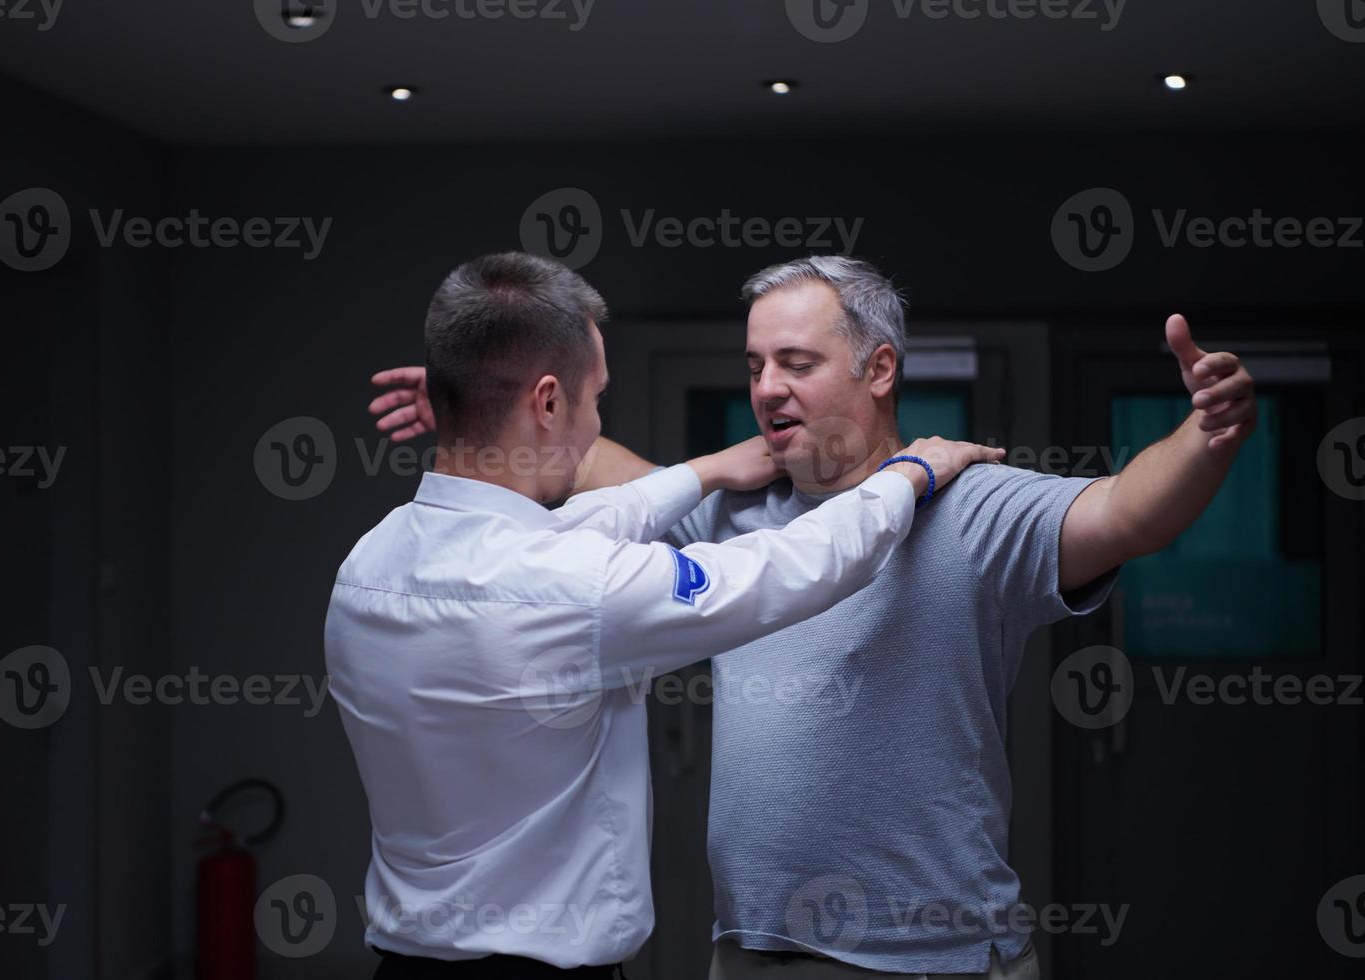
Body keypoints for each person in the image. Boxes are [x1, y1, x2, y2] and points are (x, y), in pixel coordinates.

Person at [369, 255, 1258, 979]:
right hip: (749, 949)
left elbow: (1128, 511)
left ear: (878, 369)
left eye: (797, 363)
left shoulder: (971, 505)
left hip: (922, 959)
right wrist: (483, 400)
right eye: (755, 365)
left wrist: (1206, 434)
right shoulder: (733, 517)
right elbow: (607, 468)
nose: (766, 387)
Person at [326, 251, 1005, 979]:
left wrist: (705, 472)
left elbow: (566, 537)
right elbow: (791, 567)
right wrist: (911, 474)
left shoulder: (368, 566)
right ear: (549, 403)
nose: (594, 436)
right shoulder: (570, 587)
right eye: (596, 401)